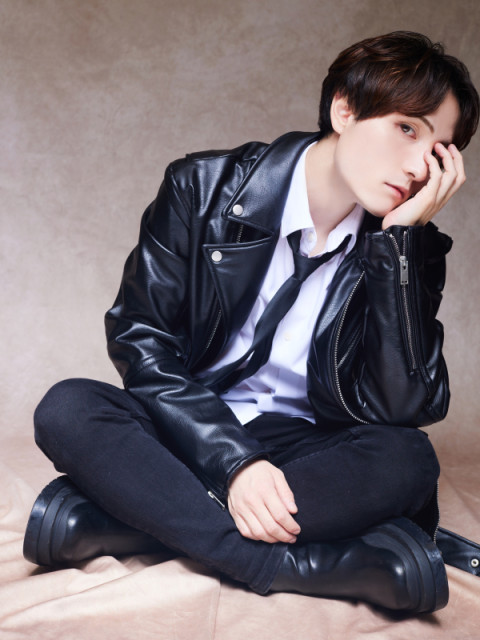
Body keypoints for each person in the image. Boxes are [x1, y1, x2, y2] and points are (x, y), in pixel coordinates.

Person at [24, 31, 480, 614]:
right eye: (407, 129)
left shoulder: (409, 249)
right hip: (190, 430)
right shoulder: (201, 188)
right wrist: (234, 464)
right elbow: (141, 341)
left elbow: (404, 408)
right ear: (344, 109)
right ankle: (299, 565)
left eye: (439, 151)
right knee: (69, 408)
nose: (419, 167)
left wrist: (397, 250)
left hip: (306, 451)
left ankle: (122, 520)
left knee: (408, 459)